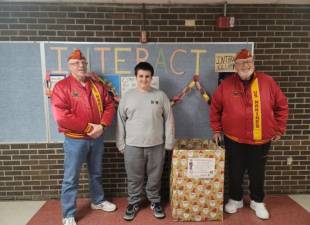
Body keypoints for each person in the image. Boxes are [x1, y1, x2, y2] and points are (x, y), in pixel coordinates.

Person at [210, 49, 288, 220]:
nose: (246, 66)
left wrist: (279, 128)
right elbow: (215, 107)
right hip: (234, 139)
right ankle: (235, 199)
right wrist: (216, 130)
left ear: (253, 63)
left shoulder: (267, 82)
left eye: (249, 62)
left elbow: (282, 105)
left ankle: (257, 201)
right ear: (235, 67)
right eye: (242, 63)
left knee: (257, 172)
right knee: (235, 171)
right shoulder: (226, 84)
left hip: (261, 140)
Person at [51, 49, 117, 225]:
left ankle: (98, 201)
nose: (80, 65)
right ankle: (68, 213)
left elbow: (110, 105)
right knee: (71, 177)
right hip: (75, 140)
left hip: (97, 139)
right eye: (75, 63)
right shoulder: (61, 87)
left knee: (96, 173)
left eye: (83, 62)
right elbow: (62, 116)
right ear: (69, 66)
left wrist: (102, 126)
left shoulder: (97, 85)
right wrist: (89, 127)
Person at [116, 62, 175, 221]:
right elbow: (120, 121)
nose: (144, 79)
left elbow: (169, 119)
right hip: (132, 146)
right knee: (134, 177)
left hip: (156, 145)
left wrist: (169, 143)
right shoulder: (128, 97)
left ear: (151, 77)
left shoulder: (160, 96)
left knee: (155, 176)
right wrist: (121, 144)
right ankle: (134, 202)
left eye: (147, 76)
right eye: (141, 76)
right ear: (136, 77)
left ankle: (155, 201)